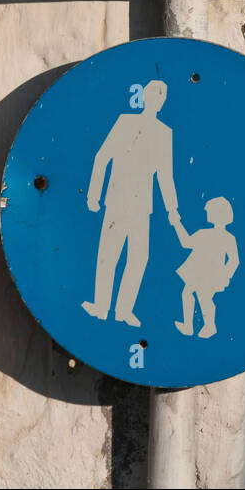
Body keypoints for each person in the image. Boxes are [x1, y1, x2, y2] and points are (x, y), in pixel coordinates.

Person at [81, 79, 178, 328]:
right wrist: (93, 195)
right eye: (154, 95)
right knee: (108, 256)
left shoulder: (164, 133)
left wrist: (172, 209)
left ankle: (124, 310)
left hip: (142, 206)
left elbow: (166, 176)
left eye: (161, 97)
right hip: (116, 200)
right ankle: (101, 307)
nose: (158, 100)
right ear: (145, 97)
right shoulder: (125, 121)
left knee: (138, 258)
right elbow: (102, 157)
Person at [171, 196, 238, 339]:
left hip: (212, 274)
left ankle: (210, 326)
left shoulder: (228, 238)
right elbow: (186, 242)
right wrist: (177, 224)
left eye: (209, 211)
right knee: (188, 293)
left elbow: (234, 260)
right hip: (198, 271)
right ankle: (189, 326)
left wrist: (225, 275)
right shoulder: (204, 233)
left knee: (205, 298)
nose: (207, 213)